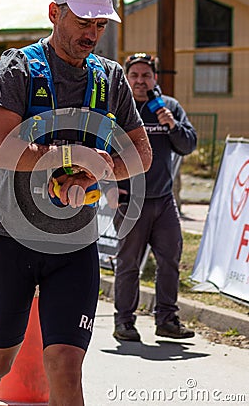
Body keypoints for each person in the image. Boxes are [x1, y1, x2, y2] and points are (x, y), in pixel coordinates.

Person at [0, 0, 152, 406]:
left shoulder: (110, 78)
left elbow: (141, 154)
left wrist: (98, 172)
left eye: (101, 24)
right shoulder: (18, 67)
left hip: (75, 244)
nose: (93, 33)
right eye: (83, 22)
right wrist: (75, 158)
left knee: (66, 368)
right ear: (54, 13)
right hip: (12, 240)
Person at [110, 53, 197, 342]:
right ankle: (124, 322)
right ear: (127, 78)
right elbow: (103, 149)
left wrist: (171, 124)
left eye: (146, 75)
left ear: (155, 79)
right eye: (134, 75)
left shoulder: (168, 107)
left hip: (163, 200)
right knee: (128, 263)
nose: (139, 81)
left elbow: (187, 145)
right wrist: (113, 187)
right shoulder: (119, 109)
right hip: (130, 200)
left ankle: (167, 320)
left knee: (170, 259)